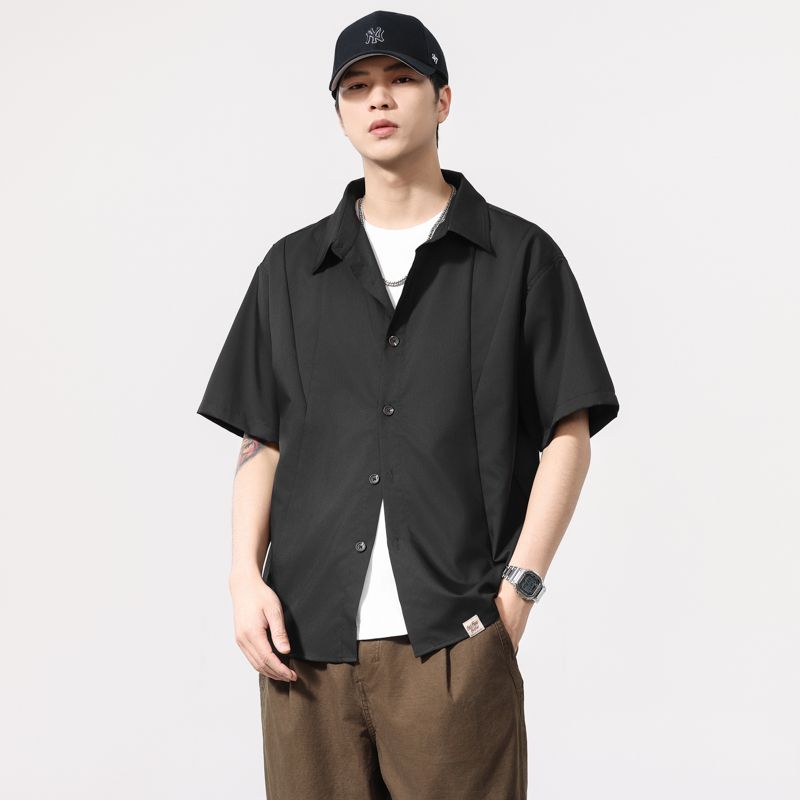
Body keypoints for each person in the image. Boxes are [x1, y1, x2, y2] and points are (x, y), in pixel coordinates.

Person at [196, 9, 620, 799]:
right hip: (306, 646)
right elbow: (262, 438)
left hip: (453, 640)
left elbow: (570, 431)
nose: (379, 99)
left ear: (443, 99)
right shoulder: (290, 271)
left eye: (401, 79)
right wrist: (242, 579)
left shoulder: (520, 258)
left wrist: (518, 594)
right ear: (339, 113)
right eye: (357, 88)